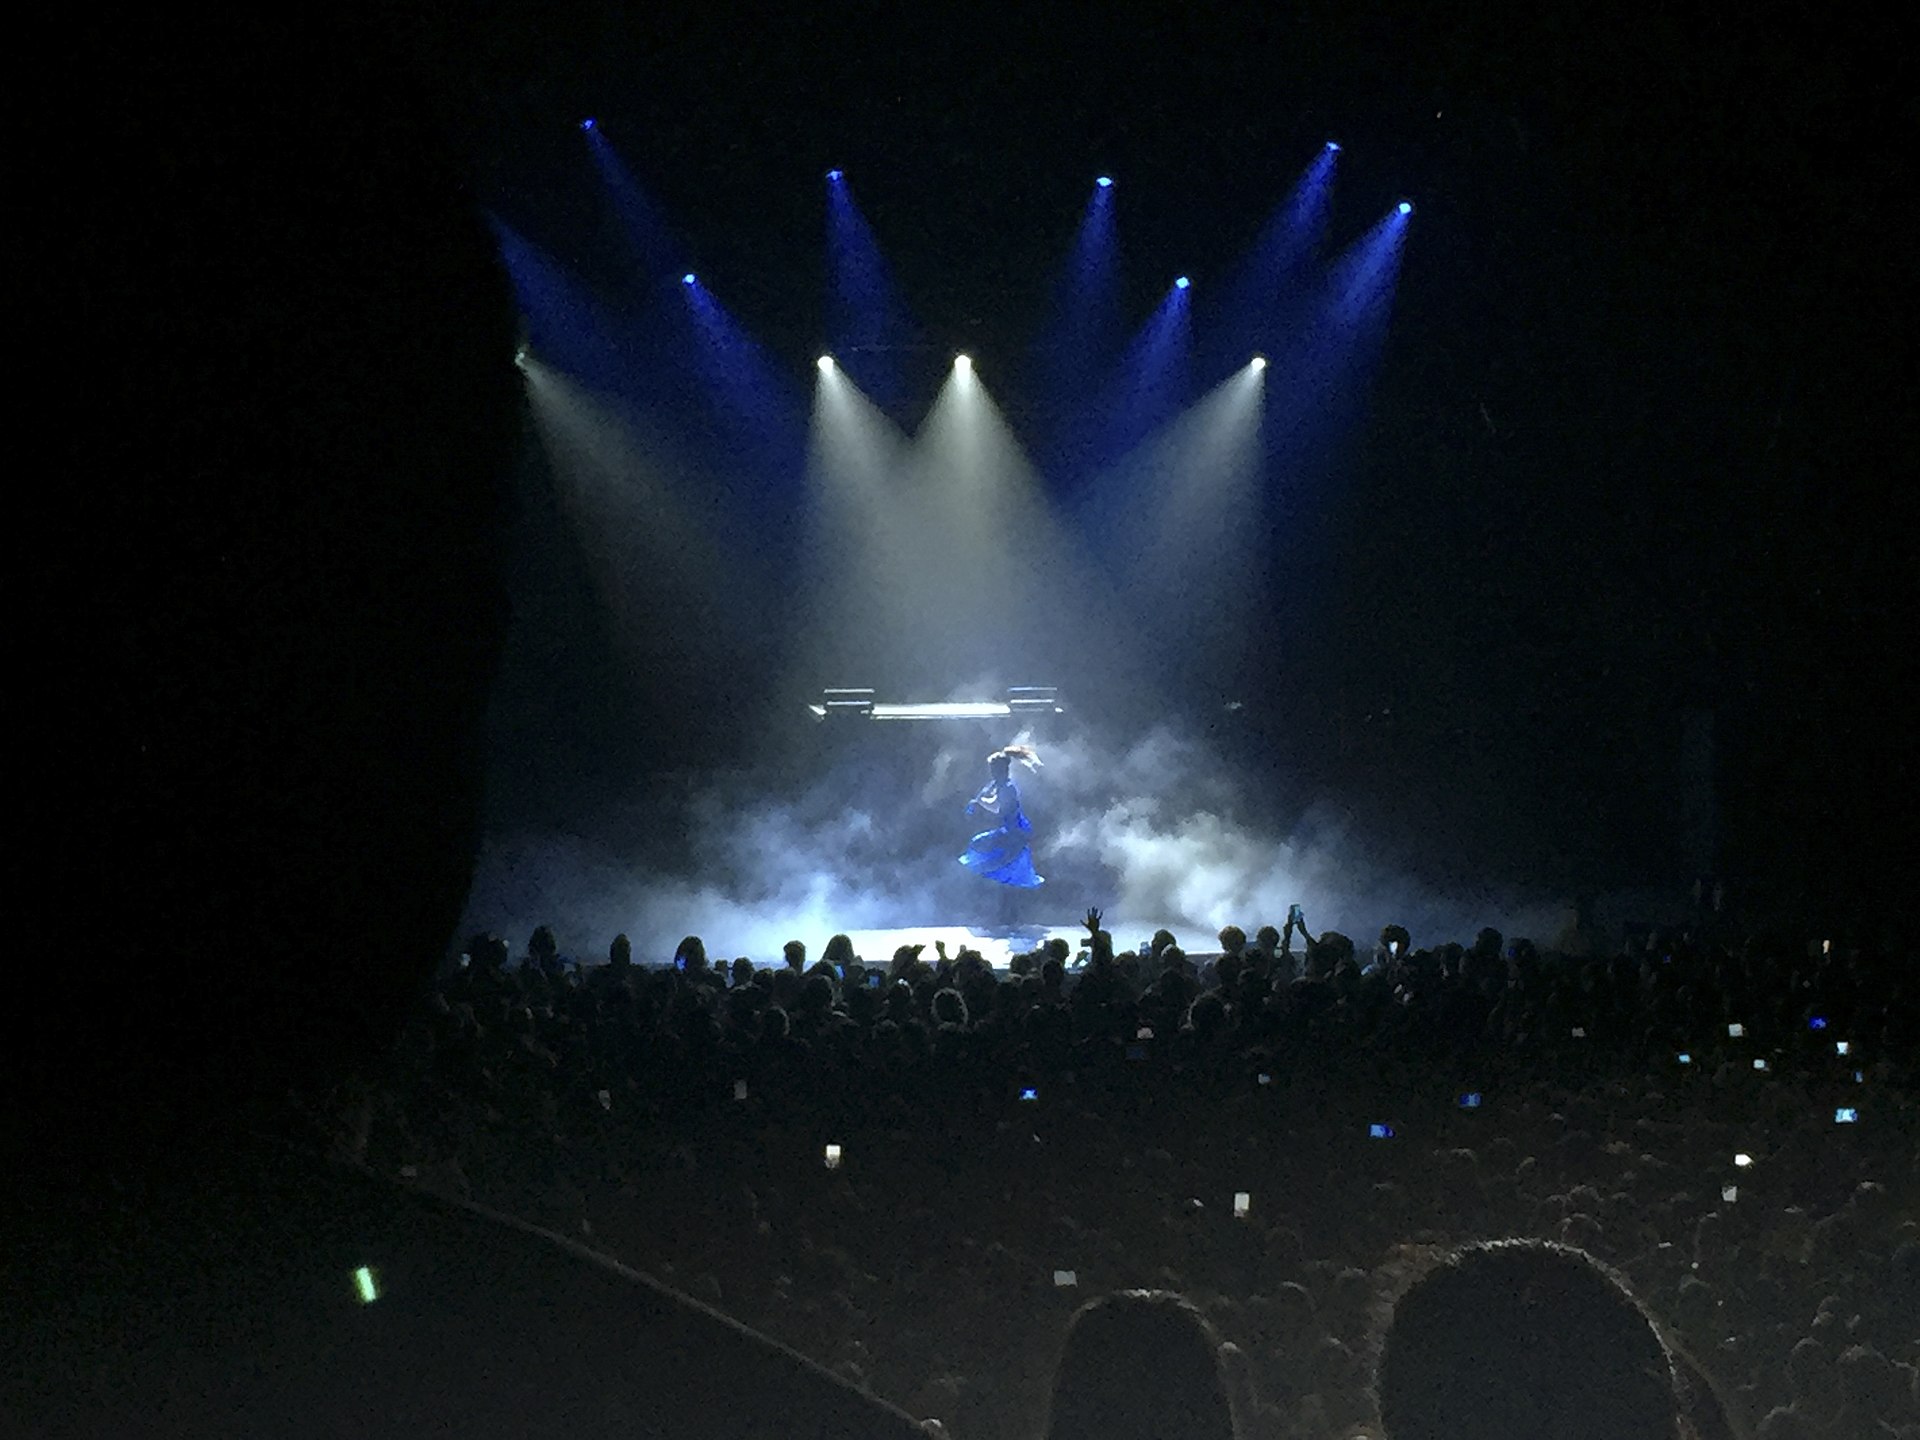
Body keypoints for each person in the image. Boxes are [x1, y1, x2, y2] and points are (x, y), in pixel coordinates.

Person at [959, 744, 1045, 888]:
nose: (992, 773)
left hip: (1015, 831)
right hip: (1010, 829)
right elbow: (994, 802)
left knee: (999, 858)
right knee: (979, 845)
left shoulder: (1007, 788)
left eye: (993, 770)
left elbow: (997, 808)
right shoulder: (1000, 785)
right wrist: (979, 801)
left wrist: (980, 802)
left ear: (1001, 770)